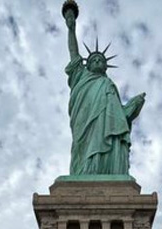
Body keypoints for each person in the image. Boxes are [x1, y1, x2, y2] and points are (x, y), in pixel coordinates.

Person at [62, 4, 146, 175]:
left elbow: (118, 116)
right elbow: (73, 52)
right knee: (83, 147)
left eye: (101, 60)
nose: (98, 62)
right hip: (84, 121)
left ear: (106, 66)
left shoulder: (108, 85)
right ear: (88, 64)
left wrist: (133, 106)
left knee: (111, 140)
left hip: (106, 125)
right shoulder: (81, 76)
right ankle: (85, 173)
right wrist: (71, 28)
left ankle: (107, 172)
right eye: (94, 60)